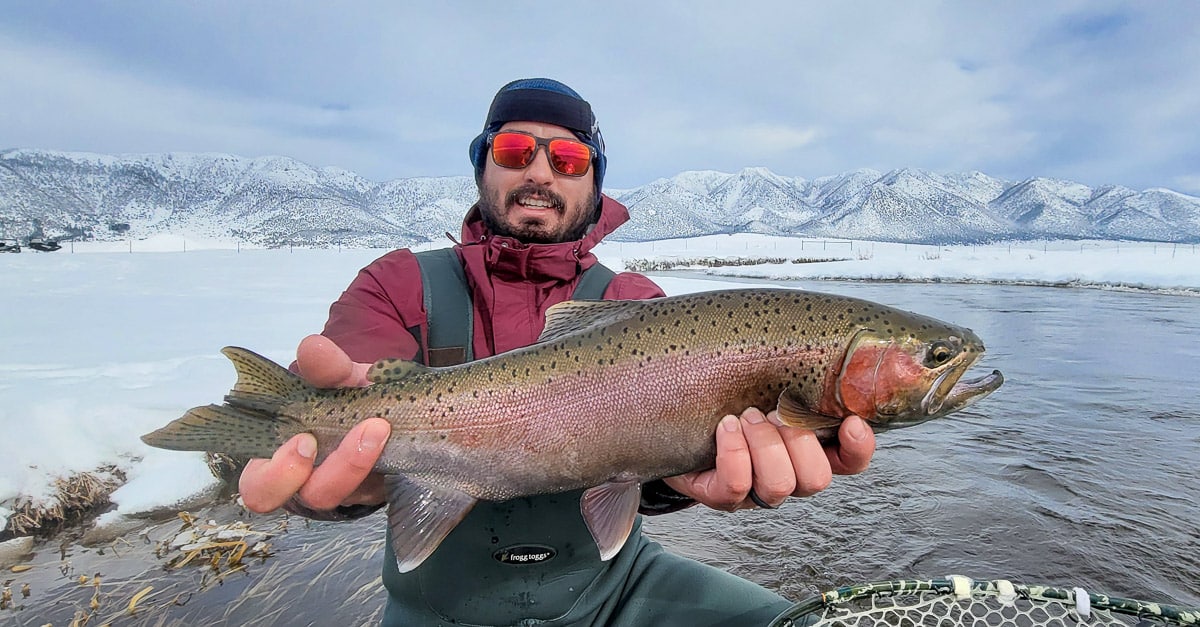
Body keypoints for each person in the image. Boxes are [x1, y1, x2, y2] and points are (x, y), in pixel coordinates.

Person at [237, 78, 876, 626]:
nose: (539, 172)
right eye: (514, 151)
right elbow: (300, 441)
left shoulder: (637, 304)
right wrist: (323, 474)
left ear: (594, 182)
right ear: (482, 166)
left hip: (611, 593)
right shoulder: (401, 283)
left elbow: (654, 479)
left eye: (568, 159)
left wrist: (678, 479)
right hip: (433, 608)